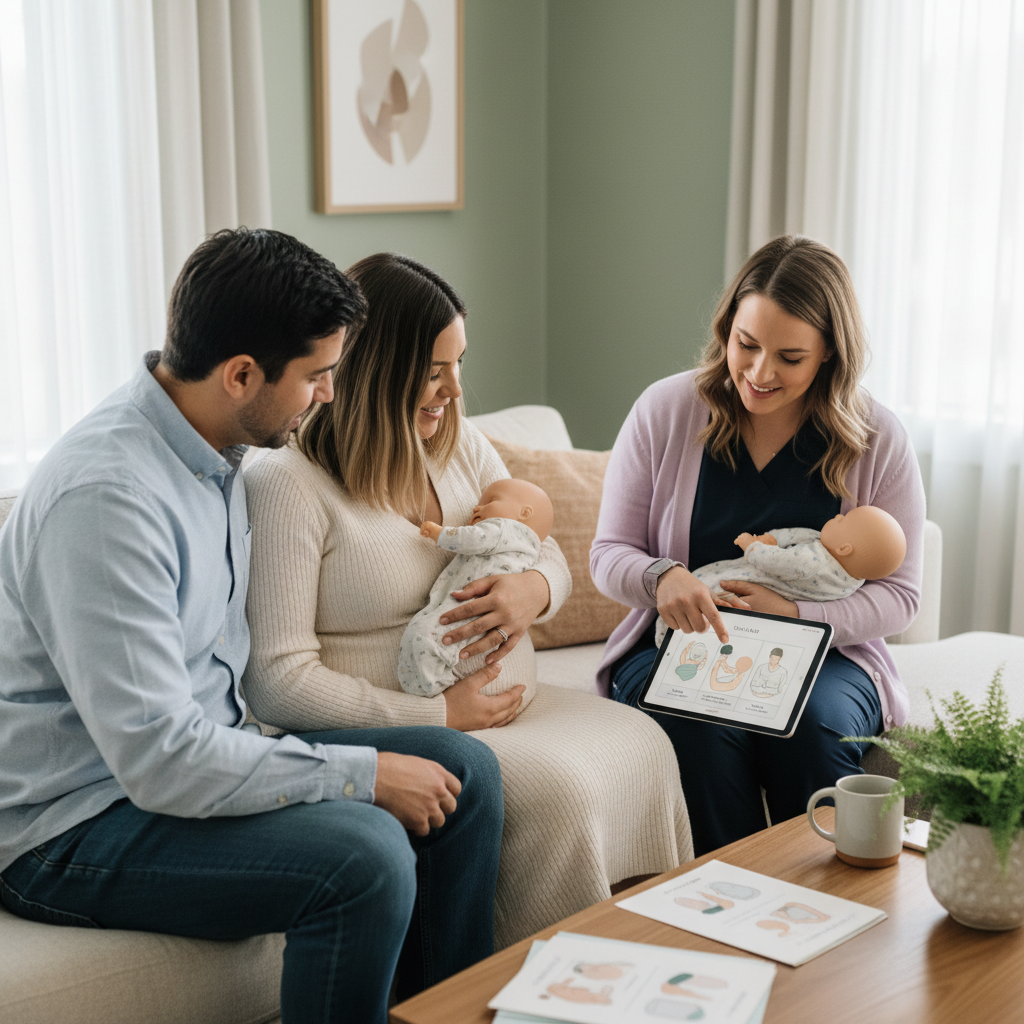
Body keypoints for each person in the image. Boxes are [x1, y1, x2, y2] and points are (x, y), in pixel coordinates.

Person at [0, 228, 505, 1024]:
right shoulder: (106, 499)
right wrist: (361, 775)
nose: (330, 394)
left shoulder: (218, 453)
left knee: (462, 770)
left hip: (184, 767)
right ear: (241, 374)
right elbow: (161, 761)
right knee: (366, 859)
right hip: (75, 827)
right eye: (318, 376)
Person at [242, 251, 693, 948]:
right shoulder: (288, 483)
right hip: (399, 721)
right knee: (563, 793)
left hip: (513, 708)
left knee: (647, 741)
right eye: (432, 370)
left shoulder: (458, 445)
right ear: (371, 367)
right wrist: (436, 712)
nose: (454, 389)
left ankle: (635, 975)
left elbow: (543, 549)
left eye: (458, 364)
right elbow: (275, 682)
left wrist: (533, 591)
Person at [591, 235, 925, 856]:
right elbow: (608, 553)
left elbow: (901, 597)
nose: (759, 372)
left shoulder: (878, 438)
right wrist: (662, 578)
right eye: (746, 344)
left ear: (829, 355)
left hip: (826, 655)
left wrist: (799, 616)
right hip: (684, 639)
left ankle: (828, 903)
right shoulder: (665, 411)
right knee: (700, 722)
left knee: (815, 729)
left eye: (790, 357)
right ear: (727, 328)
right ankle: (736, 897)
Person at [653, 505, 907, 647]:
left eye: (843, 520)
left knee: (708, 593)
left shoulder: (813, 564)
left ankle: (668, 637)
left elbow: (777, 562)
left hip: (751, 587)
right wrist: (776, 539)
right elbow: (802, 535)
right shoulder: (850, 577)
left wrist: (752, 546)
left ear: (844, 549)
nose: (839, 515)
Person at [399, 478, 554, 697]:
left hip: (470, 602)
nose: (476, 507)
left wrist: (440, 534)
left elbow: (474, 539)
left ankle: (431, 689)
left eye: (490, 500)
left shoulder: (504, 529)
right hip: (485, 610)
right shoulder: (527, 549)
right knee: (434, 637)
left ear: (525, 513)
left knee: (423, 635)